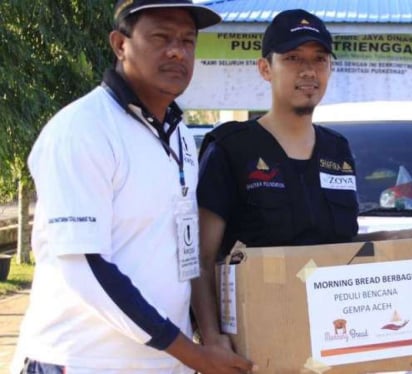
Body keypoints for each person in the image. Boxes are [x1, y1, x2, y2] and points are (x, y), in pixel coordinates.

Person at [11, 1, 254, 373]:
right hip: (80, 362)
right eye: (160, 37)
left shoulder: (180, 137)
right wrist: (192, 354)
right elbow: (85, 266)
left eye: (188, 41)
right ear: (120, 44)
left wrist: (207, 335)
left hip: (162, 363)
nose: (177, 50)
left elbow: (187, 254)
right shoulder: (83, 129)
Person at [193, 8, 412, 357]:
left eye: (319, 59)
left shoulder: (337, 150)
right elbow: (200, 258)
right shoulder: (232, 149)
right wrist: (212, 338)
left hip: (335, 343)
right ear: (266, 68)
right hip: (256, 349)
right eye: (293, 58)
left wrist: (394, 238)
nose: (308, 70)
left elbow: (334, 244)